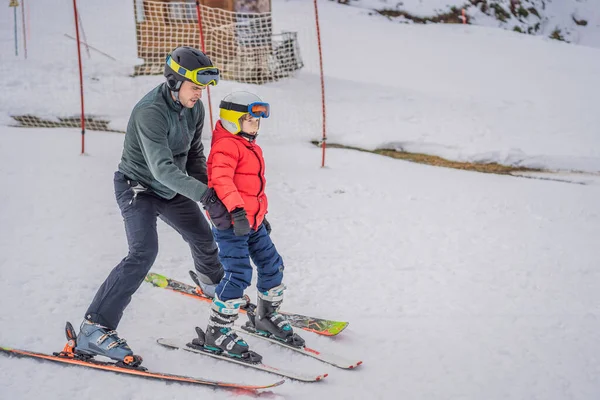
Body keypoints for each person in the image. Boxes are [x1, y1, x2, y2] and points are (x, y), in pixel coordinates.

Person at [73, 46, 226, 365]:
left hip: (171, 188)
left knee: (203, 237)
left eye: (203, 88)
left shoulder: (193, 107)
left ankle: (213, 286)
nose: (200, 94)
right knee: (143, 251)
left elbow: (194, 154)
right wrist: (204, 196)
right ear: (174, 81)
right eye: (195, 86)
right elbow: (162, 168)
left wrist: (214, 191)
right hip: (138, 187)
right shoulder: (150, 112)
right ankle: (94, 327)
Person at [200, 92, 305, 362]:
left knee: (273, 265)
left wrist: (260, 214)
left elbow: (253, 188)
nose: (255, 124)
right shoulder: (225, 146)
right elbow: (222, 182)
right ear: (233, 120)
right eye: (249, 119)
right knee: (238, 274)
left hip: (253, 222)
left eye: (257, 120)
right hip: (231, 225)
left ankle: (266, 316)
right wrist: (237, 211)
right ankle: (217, 330)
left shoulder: (248, 145)